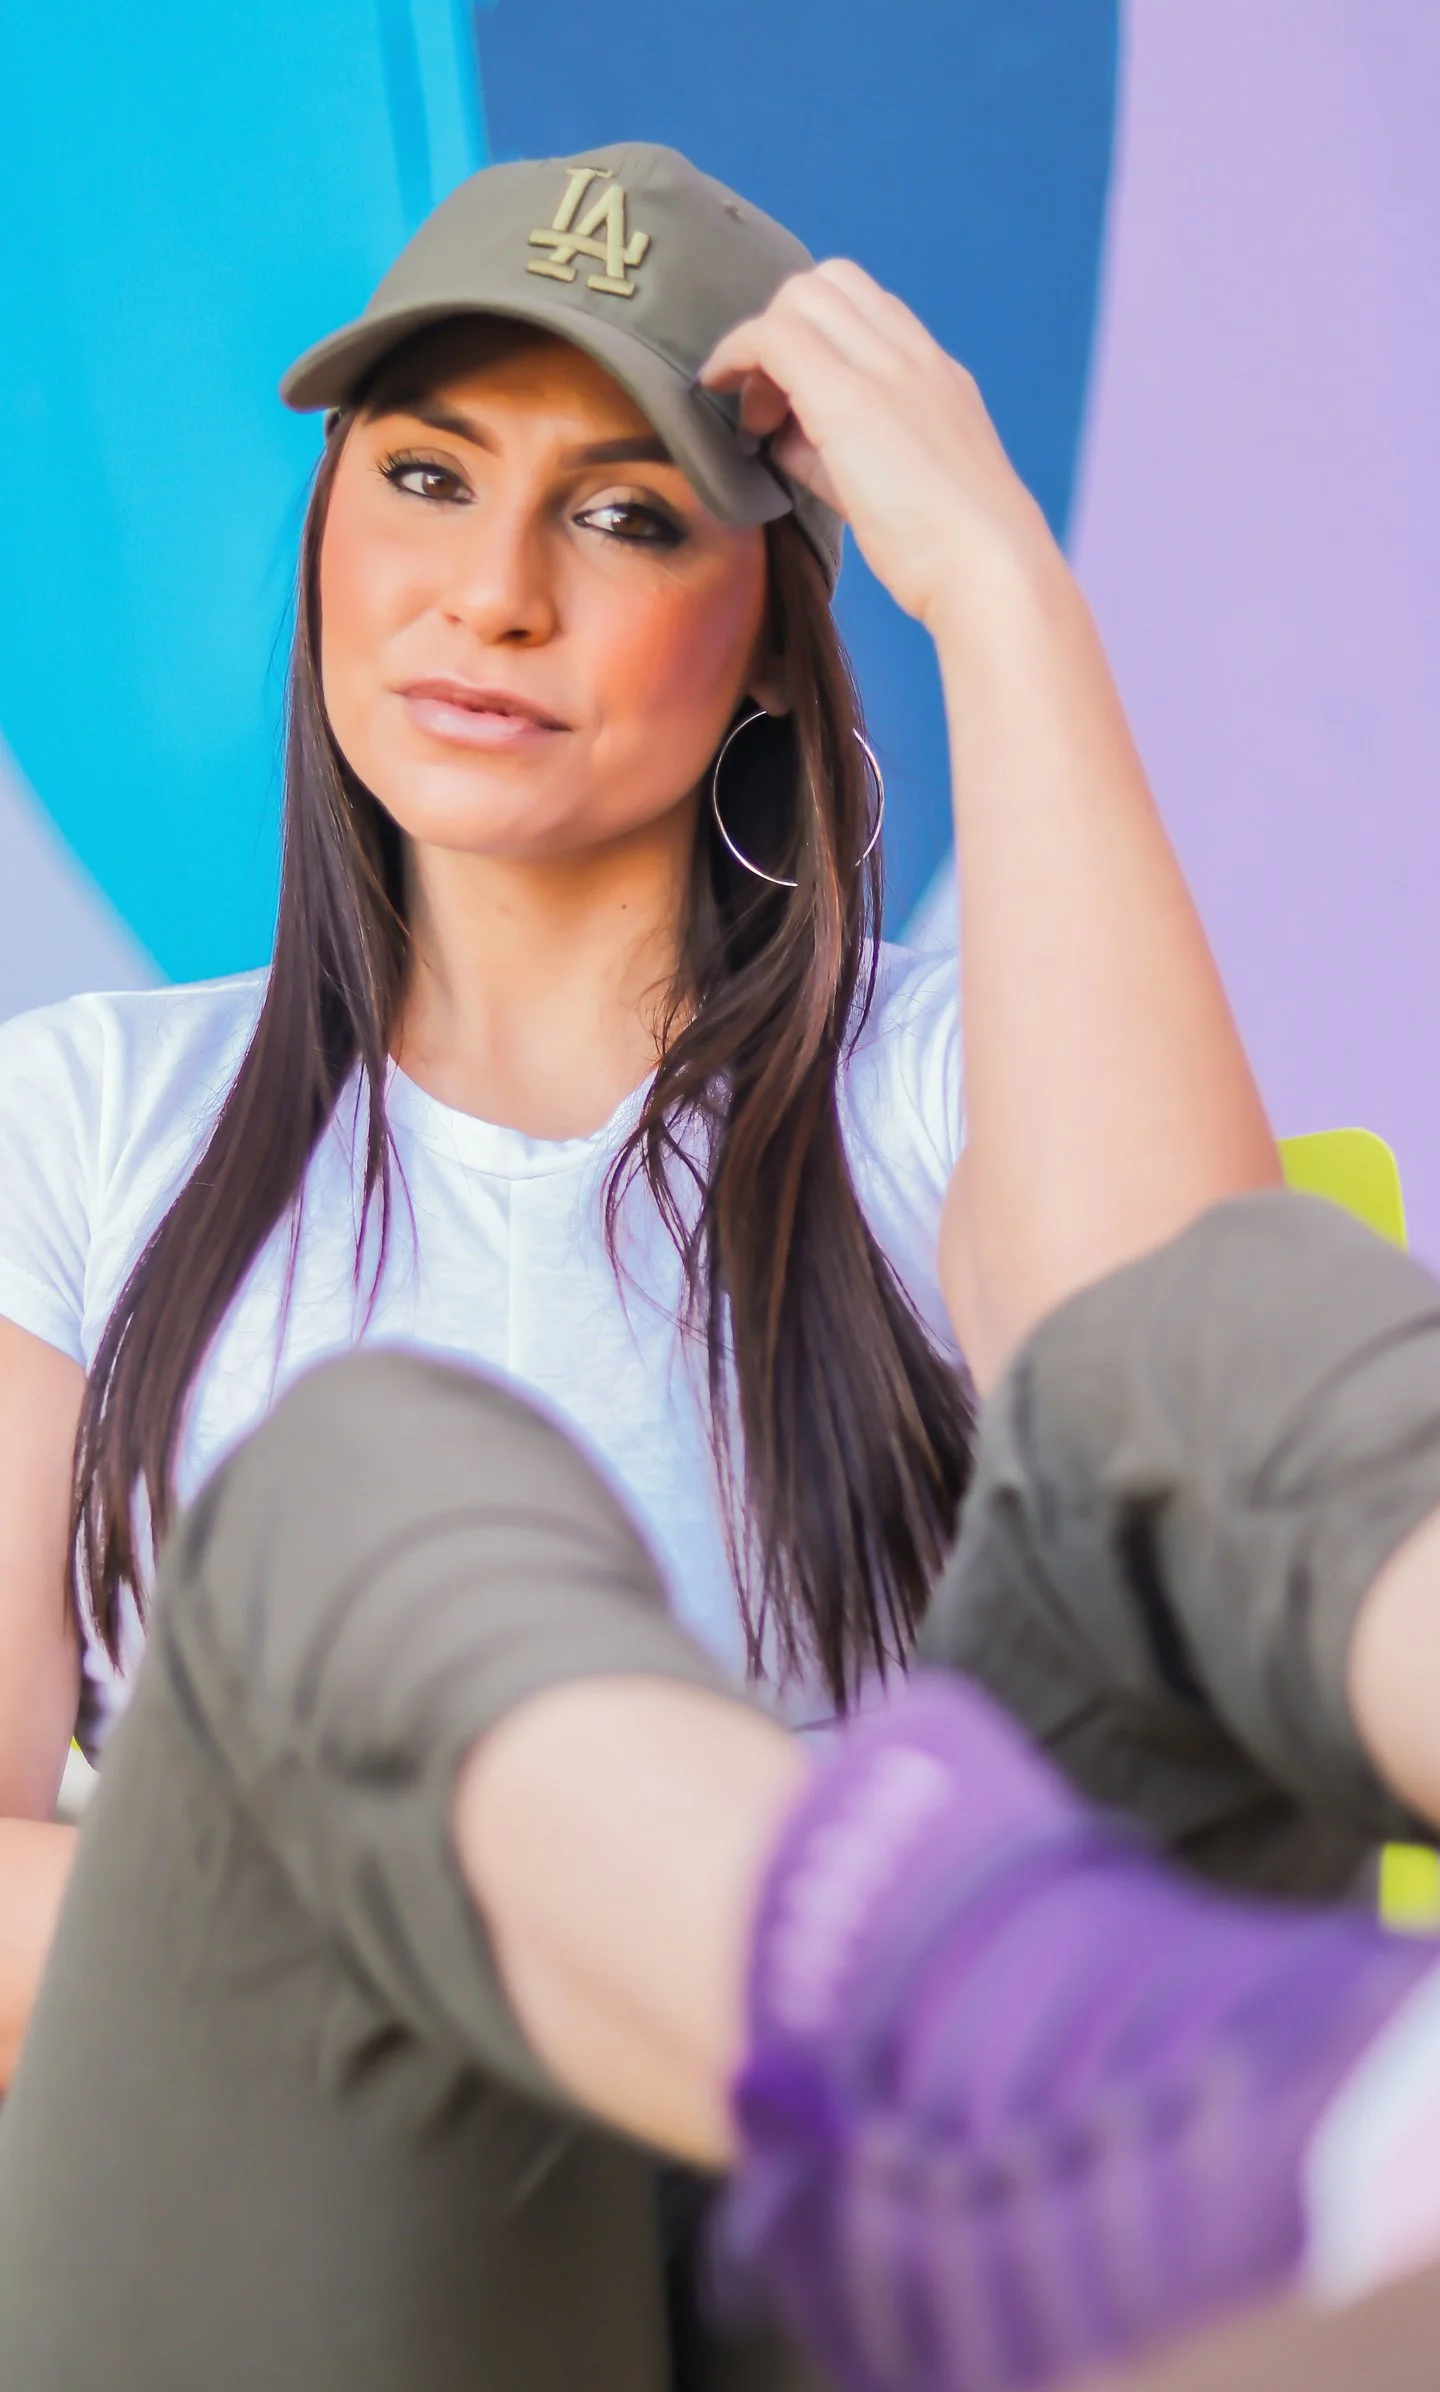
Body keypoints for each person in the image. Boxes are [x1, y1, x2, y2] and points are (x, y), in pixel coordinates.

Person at [0, 142, 1279, 2086]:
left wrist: (1000, 594)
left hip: (805, 2204)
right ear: (331, 525)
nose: (492, 596)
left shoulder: (944, 1086)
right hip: (284, 2206)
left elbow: (1194, 1443)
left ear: (772, 639)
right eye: (424, 478)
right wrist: (531, 1935)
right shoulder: (85, 1113)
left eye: (624, 516)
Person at [5, 1189, 1440, 2392]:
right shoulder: (88, 1110)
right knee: (342, 1490)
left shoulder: (929, 1056)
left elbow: (1189, 1463)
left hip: (871, 2233)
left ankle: (1146, 2070)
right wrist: (549, 1887)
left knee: (1216, 1316)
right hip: (346, 2182)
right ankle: (996, 2036)